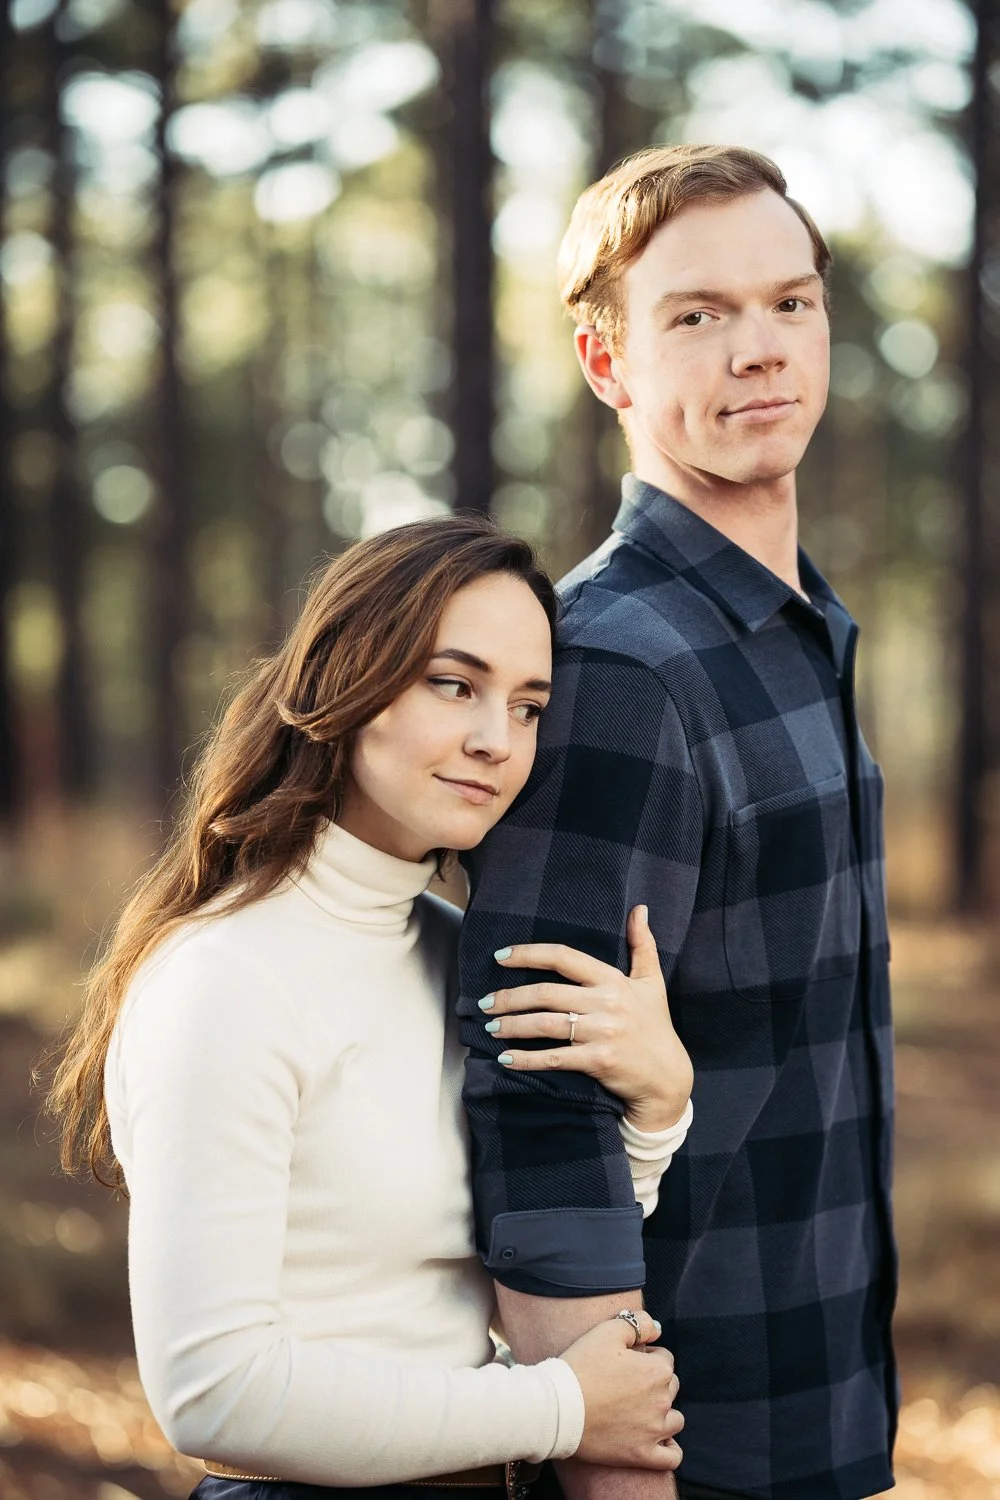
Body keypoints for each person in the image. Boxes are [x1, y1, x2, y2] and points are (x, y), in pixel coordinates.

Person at [46, 515, 695, 1500]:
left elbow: (494, 1265)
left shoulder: (456, 956)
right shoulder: (225, 979)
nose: (495, 741)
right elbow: (212, 1393)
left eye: (528, 707)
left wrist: (656, 1109)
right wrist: (561, 1408)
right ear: (345, 681)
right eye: (454, 685)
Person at [458, 145, 896, 1500]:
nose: (759, 349)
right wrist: (615, 1462)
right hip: (692, 1439)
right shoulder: (621, 667)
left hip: (820, 1394)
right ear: (608, 364)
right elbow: (537, 1093)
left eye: (789, 303)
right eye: (697, 315)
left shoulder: (794, 626)